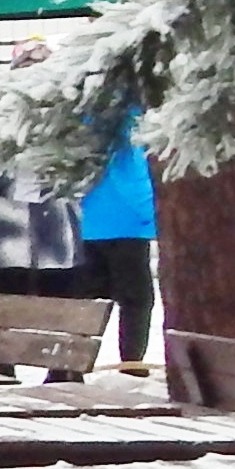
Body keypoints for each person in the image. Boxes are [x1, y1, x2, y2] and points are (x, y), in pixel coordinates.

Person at [79, 127, 161, 365]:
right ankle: (132, 363)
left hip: (89, 221)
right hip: (128, 224)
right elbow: (132, 174)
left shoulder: (83, 116)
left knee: (90, 298)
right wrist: (151, 214)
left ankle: (70, 364)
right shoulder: (131, 119)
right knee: (137, 300)